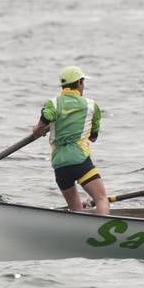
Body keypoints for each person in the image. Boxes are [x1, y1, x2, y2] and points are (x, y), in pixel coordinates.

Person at [31, 66, 109, 215]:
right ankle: (101, 232)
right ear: (79, 83)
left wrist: (39, 128)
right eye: (83, 82)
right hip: (80, 161)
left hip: (59, 165)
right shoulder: (91, 106)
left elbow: (47, 116)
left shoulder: (52, 103)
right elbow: (93, 137)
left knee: (75, 210)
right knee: (101, 199)